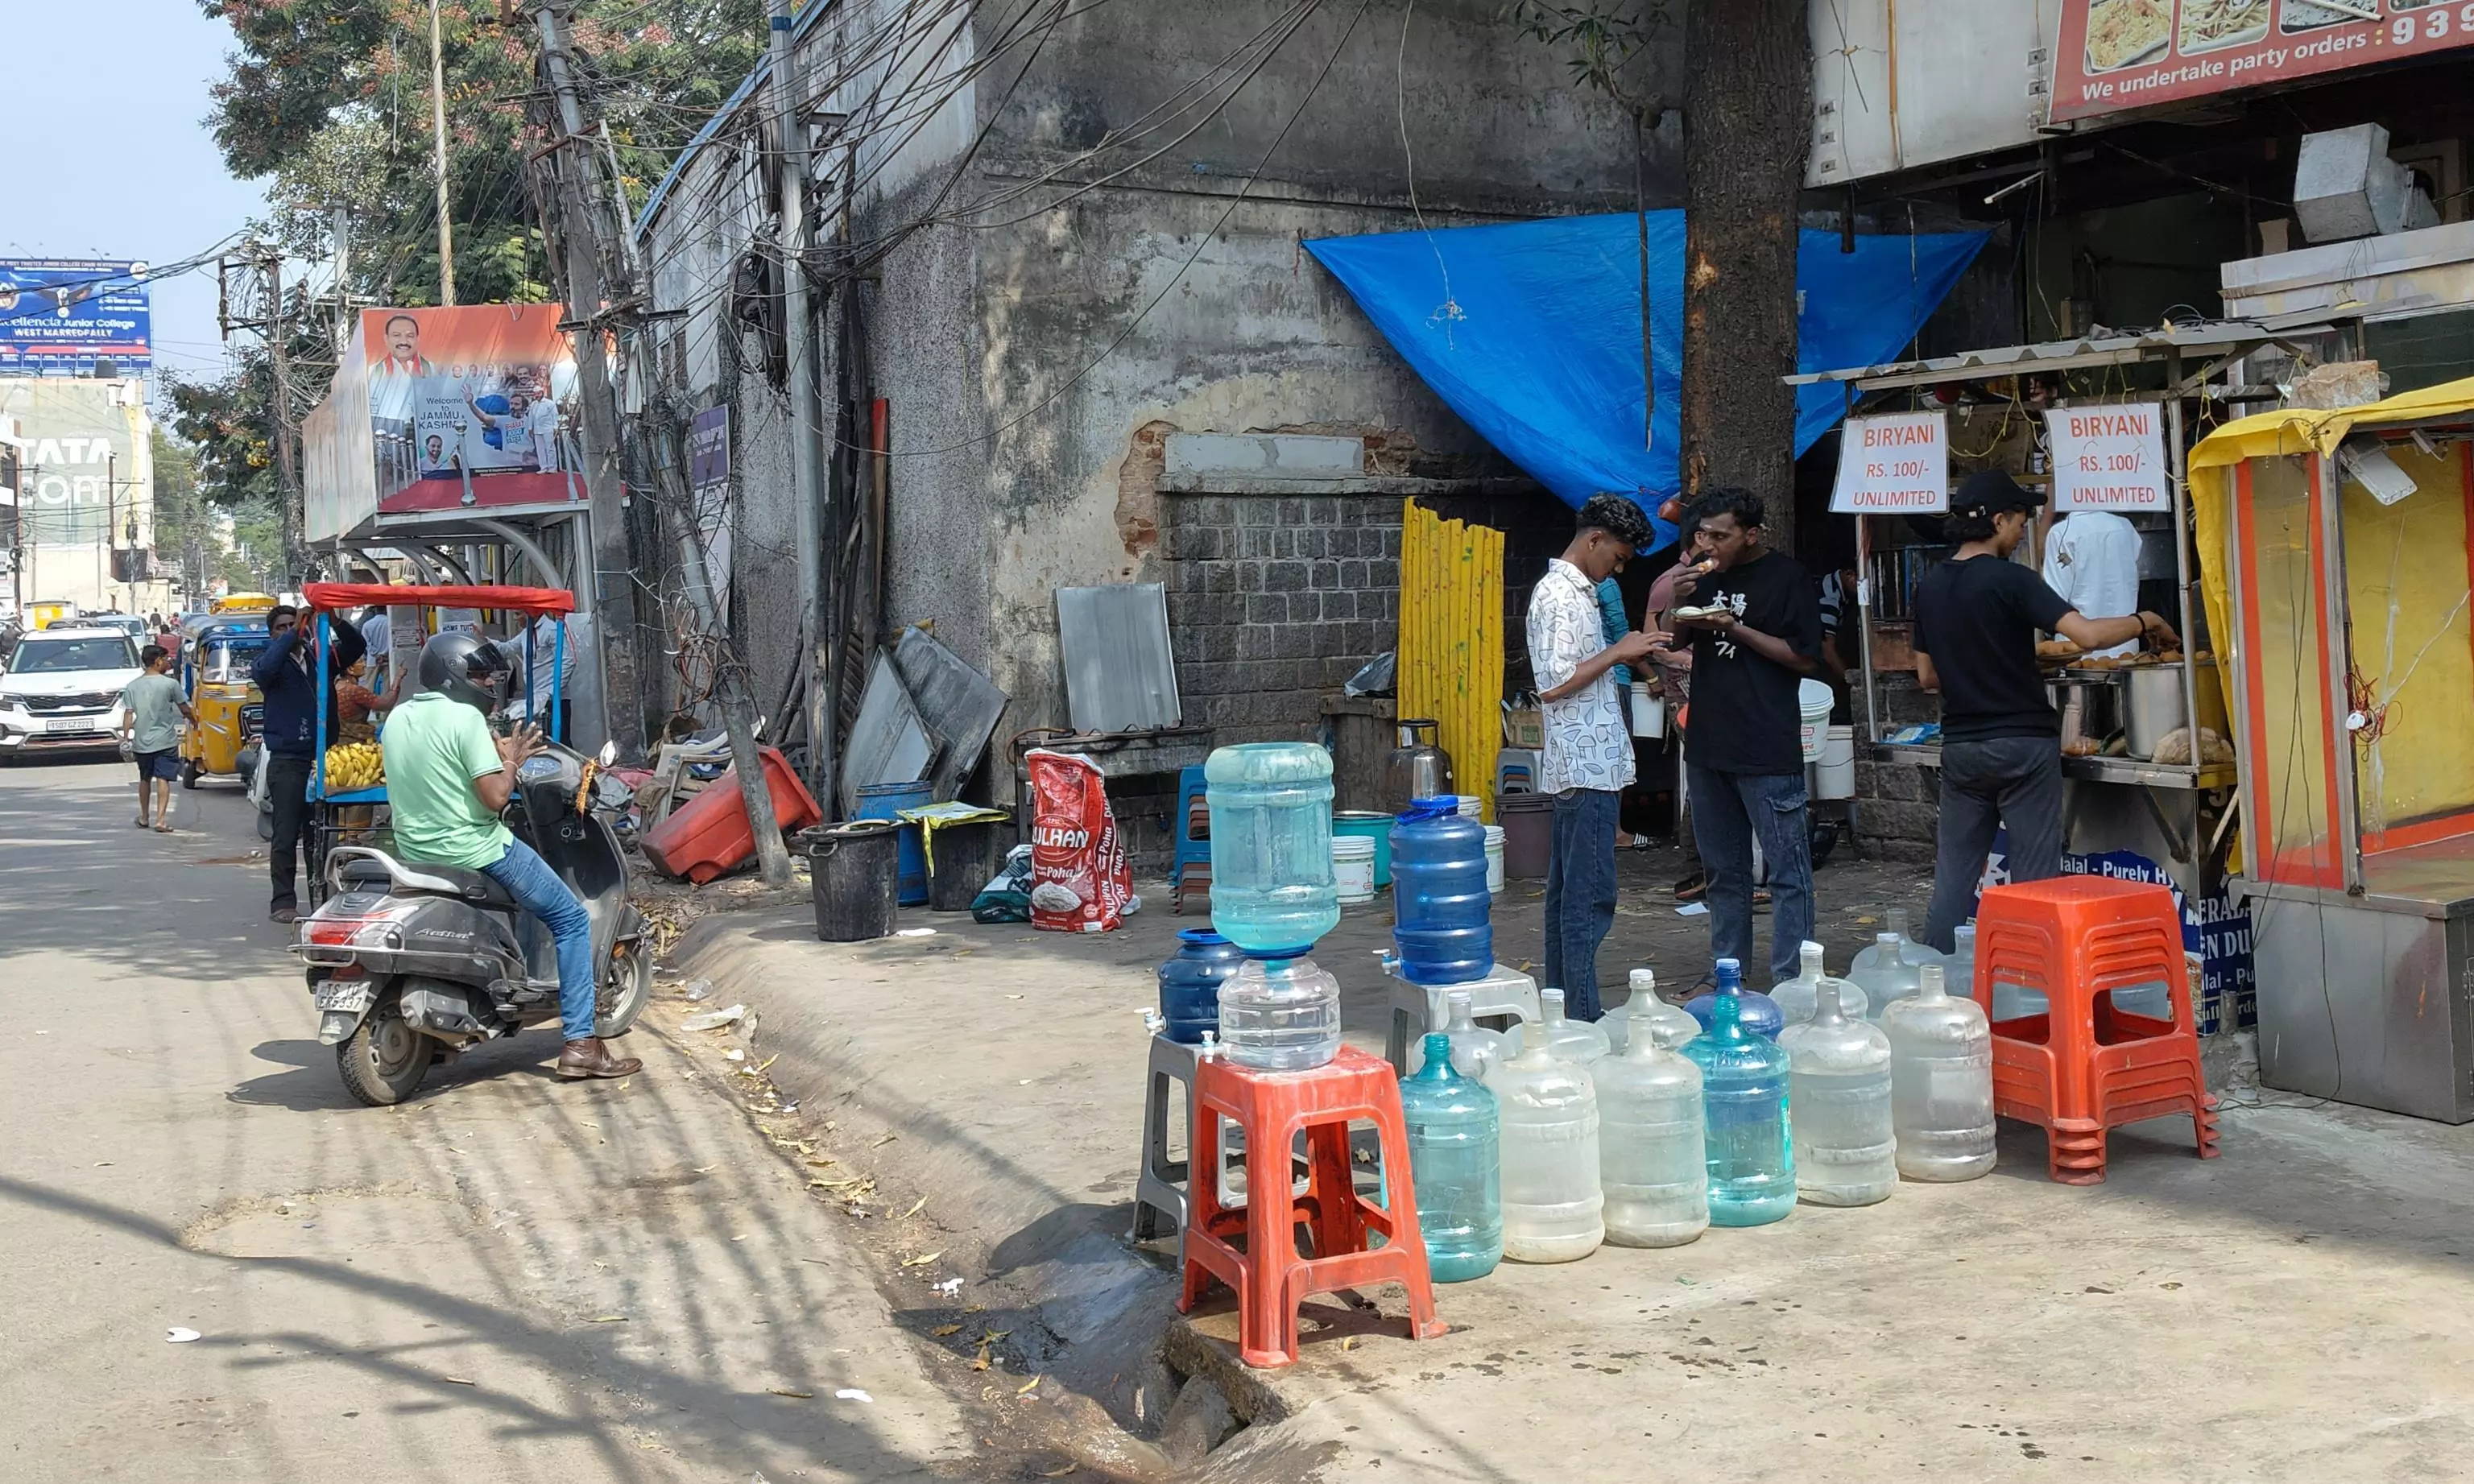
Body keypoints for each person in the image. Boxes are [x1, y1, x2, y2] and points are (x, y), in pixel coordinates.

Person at [1913, 470, 2177, 952]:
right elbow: (2089, 637)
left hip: (1962, 748)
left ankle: (1938, 991)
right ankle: (2031, 988)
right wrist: (2147, 620)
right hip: (2021, 746)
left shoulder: (1930, 587)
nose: (2022, 532)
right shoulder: (2012, 579)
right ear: (1997, 520)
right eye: (2019, 521)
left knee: (1952, 883)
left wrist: (2002, 659)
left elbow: (1928, 677)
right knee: (2035, 884)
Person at [384, 632, 640, 1081]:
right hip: (474, 848)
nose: (486, 684)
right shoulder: (465, 720)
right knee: (571, 919)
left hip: (414, 852)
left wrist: (497, 755)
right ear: (454, 677)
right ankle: (582, 1042)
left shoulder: (398, 717)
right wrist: (514, 759)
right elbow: (495, 798)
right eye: (479, 675)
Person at [1654, 488, 1822, 987]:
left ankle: (1794, 981)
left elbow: (1804, 657)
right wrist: (1679, 601)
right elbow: (1672, 640)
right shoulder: (1701, 579)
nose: (1709, 546)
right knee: (1724, 874)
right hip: (1708, 743)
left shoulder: (1788, 579)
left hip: (1767, 745)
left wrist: (1737, 628)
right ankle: (1728, 976)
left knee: (1788, 872)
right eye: (1702, 534)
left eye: (1720, 536)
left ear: (1752, 534)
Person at [1527, 493, 1661, 1020]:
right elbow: (1554, 681)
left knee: (1570, 897)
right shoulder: (1558, 594)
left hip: (1591, 763)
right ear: (1594, 539)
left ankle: (1564, 1011)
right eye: (1619, 556)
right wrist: (1619, 651)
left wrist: (1634, 653)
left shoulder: (1580, 591)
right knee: (1587, 898)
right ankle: (1581, 1016)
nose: (1619, 568)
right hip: (1584, 766)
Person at [253, 604, 367, 922]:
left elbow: (357, 647)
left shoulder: (320, 658)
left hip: (321, 759)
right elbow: (263, 671)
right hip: (288, 760)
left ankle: (321, 898)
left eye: (294, 623)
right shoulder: (271, 665)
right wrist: (289, 637)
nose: (292, 629)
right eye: (282, 626)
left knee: (319, 835)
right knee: (286, 834)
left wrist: (333, 621)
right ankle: (283, 901)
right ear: (272, 633)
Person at [2040, 505, 2145, 659]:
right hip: (2125, 644)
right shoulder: (2125, 527)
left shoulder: (2062, 533)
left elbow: (2055, 599)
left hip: (2078, 650)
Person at [118, 644, 195, 833]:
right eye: (166, 659)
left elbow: (128, 714)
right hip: (165, 741)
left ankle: (144, 817)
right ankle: (161, 820)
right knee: (163, 779)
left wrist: (126, 738)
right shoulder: (170, 684)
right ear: (157, 661)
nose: (169, 662)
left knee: (144, 779)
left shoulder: (133, 686)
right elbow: (184, 709)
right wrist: (194, 721)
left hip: (142, 742)